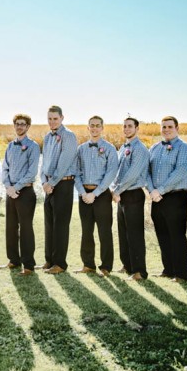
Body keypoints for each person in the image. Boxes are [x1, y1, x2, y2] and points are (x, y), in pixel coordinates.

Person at [147, 116, 187, 283]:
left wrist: (160, 190)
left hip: (175, 196)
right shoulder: (154, 148)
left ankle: (181, 274)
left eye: (169, 126)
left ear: (177, 128)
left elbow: (180, 172)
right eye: (163, 127)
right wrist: (151, 189)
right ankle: (168, 269)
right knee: (162, 234)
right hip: (156, 198)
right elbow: (147, 172)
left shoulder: (184, 148)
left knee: (177, 235)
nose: (166, 129)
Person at [74, 116, 118, 277]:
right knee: (86, 231)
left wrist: (96, 193)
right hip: (84, 195)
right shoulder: (81, 149)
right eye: (91, 125)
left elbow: (111, 173)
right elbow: (76, 172)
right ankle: (88, 264)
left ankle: (106, 266)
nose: (94, 128)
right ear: (88, 127)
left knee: (104, 231)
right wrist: (82, 192)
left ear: (102, 128)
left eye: (97, 126)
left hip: (101, 195)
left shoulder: (110, 148)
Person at [0, 114, 40, 276]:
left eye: (23, 124)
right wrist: (8, 187)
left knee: (26, 228)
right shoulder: (10, 146)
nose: (20, 127)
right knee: (11, 227)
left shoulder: (33, 146)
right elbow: (5, 169)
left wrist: (17, 187)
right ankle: (13, 260)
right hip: (11, 192)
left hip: (25, 192)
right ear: (14, 126)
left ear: (28, 126)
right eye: (17, 124)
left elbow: (32, 172)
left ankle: (28, 265)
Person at [39, 106, 77, 274]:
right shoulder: (47, 136)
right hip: (48, 185)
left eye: (55, 118)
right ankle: (49, 260)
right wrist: (43, 182)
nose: (52, 121)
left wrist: (52, 182)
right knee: (49, 224)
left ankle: (60, 264)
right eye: (49, 118)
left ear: (62, 118)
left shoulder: (69, 136)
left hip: (63, 184)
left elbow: (65, 162)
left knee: (60, 225)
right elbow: (44, 161)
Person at [111, 117, 150, 281]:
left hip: (133, 194)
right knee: (123, 232)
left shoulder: (140, 148)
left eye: (130, 126)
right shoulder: (123, 148)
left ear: (137, 128)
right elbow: (118, 172)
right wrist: (114, 188)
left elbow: (132, 174)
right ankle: (127, 265)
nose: (126, 129)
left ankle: (139, 271)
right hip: (122, 195)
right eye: (124, 126)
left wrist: (117, 190)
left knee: (134, 234)